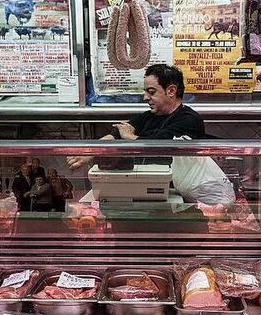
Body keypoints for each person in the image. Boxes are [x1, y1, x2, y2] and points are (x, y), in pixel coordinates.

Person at [67, 64, 235, 207]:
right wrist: (89, 152)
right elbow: (118, 132)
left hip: (183, 200)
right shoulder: (150, 115)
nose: (145, 97)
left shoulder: (189, 120)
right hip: (148, 191)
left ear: (171, 91)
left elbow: (157, 146)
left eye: (151, 92)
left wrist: (131, 137)